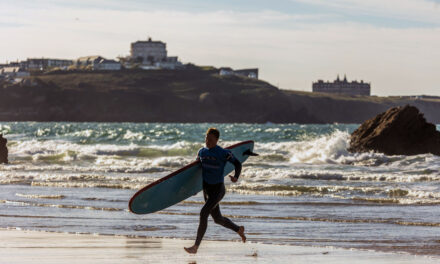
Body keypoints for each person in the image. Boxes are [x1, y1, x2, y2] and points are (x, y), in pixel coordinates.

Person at [184, 128, 246, 254]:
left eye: (211, 140)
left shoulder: (223, 153)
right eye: (206, 139)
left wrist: (236, 177)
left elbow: (238, 164)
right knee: (217, 219)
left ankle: (195, 246)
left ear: (217, 140)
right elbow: (197, 170)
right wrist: (193, 188)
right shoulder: (201, 152)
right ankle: (238, 229)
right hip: (207, 190)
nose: (208, 142)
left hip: (218, 190)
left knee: (203, 213)